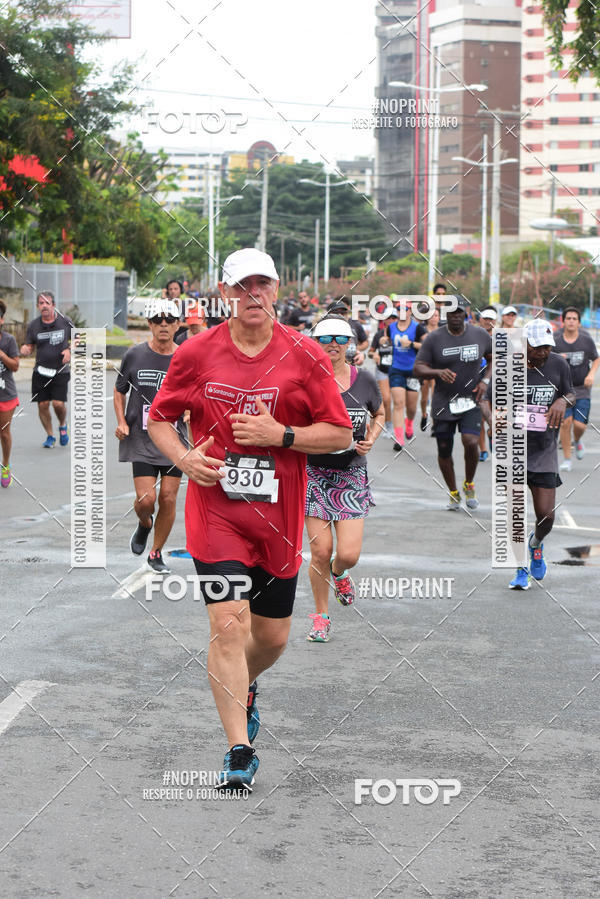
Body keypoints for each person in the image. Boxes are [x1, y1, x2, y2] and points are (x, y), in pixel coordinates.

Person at [147, 247, 352, 791]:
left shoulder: (305, 354)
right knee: (227, 625)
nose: (251, 295)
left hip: (280, 518)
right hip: (216, 513)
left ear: (276, 290)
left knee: (274, 638)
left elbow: (339, 434)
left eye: (261, 285)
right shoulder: (195, 352)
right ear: (225, 294)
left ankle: (244, 685)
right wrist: (186, 459)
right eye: (241, 286)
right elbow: (159, 419)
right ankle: (239, 749)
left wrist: (281, 435)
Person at [305, 315, 384, 642]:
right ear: (315, 343)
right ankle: (321, 616)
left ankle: (339, 574)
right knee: (320, 551)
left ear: (349, 343)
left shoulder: (364, 380)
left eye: (340, 338)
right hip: (312, 473)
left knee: (347, 554)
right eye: (326, 339)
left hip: (351, 475)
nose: (333, 344)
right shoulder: (305, 381)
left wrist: (372, 438)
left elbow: (379, 414)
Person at [483, 320, 574, 590]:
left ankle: (536, 544)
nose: (544, 353)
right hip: (513, 448)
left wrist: (561, 400)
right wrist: (492, 420)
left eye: (547, 347)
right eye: (538, 347)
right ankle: (521, 568)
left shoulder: (558, 364)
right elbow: (486, 401)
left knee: (546, 515)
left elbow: (570, 392)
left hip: (544, 447)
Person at [114, 299, 188, 574]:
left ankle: (156, 552)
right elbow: (119, 391)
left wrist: (192, 411)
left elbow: (196, 393)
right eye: (158, 320)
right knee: (147, 501)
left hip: (174, 439)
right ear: (149, 324)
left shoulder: (185, 357)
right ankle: (145, 523)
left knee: (168, 498)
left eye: (169, 320)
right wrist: (121, 421)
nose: (164, 324)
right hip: (142, 439)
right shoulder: (134, 355)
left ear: (178, 324)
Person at [414, 296, 492, 510]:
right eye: (452, 312)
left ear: (466, 312)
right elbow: (418, 367)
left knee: (470, 441)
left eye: (460, 312)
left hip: (471, 399)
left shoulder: (479, 334)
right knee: (444, 449)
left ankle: (469, 483)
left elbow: (494, 357)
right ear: (446, 314)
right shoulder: (434, 338)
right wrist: (437, 371)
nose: (456, 316)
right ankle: (454, 492)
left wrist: (485, 380)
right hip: (444, 402)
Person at [20, 291, 74, 448]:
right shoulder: (34, 325)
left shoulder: (65, 321)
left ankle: (63, 425)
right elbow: (29, 346)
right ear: (38, 306)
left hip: (60, 371)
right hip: (40, 371)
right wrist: (25, 349)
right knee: (42, 404)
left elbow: (80, 338)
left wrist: (70, 349)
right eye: (41, 303)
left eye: (47, 303)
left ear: (53, 305)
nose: (44, 306)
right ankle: (50, 436)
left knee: (58, 404)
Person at [554, 306, 599, 471]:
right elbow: (547, 358)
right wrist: (558, 358)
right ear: (563, 321)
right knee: (566, 423)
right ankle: (567, 459)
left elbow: (596, 359)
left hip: (582, 389)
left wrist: (591, 374)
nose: (571, 321)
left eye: (574, 319)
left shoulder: (586, 340)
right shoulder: (556, 340)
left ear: (579, 322)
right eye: (568, 318)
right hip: (563, 390)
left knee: (580, 425)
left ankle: (578, 441)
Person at [387, 300, 427, 451]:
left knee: (411, 406)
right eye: (400, 309)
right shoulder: (390, 327)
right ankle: (399, 439)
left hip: (413, 370)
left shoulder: (418, 328)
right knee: (398, 403)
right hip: (396, 369)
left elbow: (427, 345)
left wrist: (411, 344)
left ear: (411, 311)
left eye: (406, 309)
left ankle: (409, 422)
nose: (403, 312)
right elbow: (385, 343)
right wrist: (383, 343)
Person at [0, 300, 20, 487]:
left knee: (4, 433)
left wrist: (1, 355)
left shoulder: (8, 340)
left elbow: (15, 366)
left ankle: (5, 465)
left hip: (5, 394)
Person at [369, 308, 395, 437]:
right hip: (382, 370)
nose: (390, 320)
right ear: (384, 320)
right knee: (386, 399)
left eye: (393, 318)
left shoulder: (403, 334)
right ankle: (389, 426)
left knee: (402, 401)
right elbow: (370, 351)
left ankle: (404, 424)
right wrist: (374, 355)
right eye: (388, 318)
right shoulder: (378, 335)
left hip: (399, 371)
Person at [477, 307, 498, 461]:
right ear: (480, 320)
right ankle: (483, 449)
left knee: (494, 415)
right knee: (479, 417)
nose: (488, 322)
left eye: (491, 319)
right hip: (478, 381)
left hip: (498, 382)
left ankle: (492, 433)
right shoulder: (474, 336)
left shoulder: (502, 338)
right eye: (485, 319)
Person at [418, 303, 440, 431]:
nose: (433, 318)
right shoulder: (421, 330)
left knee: (435, 395)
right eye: (431, 315)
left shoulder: (443, 330)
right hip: (424, 366)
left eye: (436, 315)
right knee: (424, 397)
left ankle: (434, 421)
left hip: (437, 367)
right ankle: (423, 414)